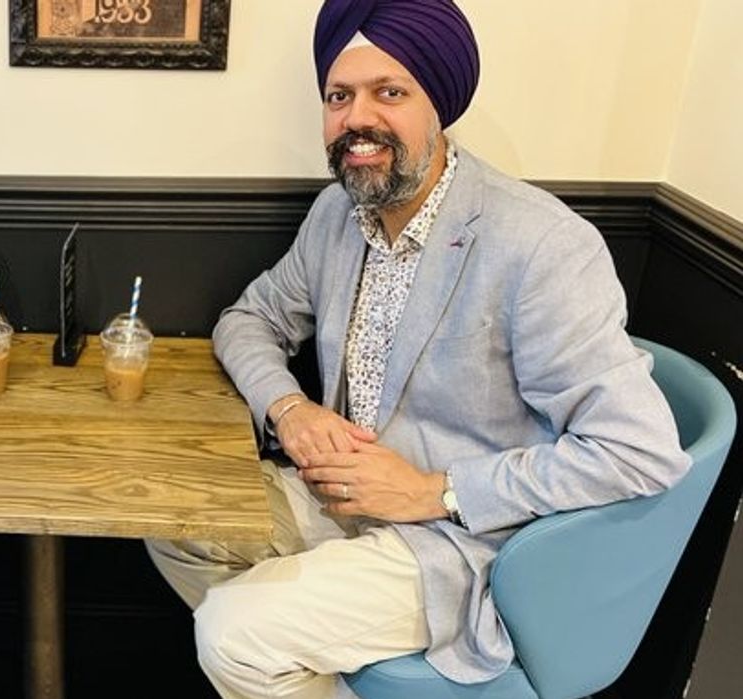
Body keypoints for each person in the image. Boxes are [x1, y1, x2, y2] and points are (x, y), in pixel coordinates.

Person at [145, 2, 691, 697]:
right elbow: (245, 320)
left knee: (233, 630)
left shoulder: (541, 244)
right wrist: (289, 409)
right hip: (338, 497)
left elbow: (637, 450)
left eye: (389, 92)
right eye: (338, 96)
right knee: (175, 521)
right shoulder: (337, 216)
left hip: (458, 540)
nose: (356, 117)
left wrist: (434, 490)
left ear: (440, 106)